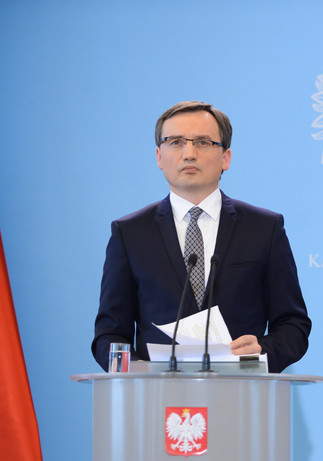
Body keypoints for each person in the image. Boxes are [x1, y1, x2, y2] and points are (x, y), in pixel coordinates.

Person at [92, 101, 311, 372]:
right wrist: (139, 372)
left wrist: (261, 352)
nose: (189, 153)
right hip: (157, 402)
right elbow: (109, 335)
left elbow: (294, 327)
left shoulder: (264, 228)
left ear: (226, 157)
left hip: (242, 396)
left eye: (203, 143)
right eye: (175, 142)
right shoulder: (130, 233)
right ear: (159, 156)